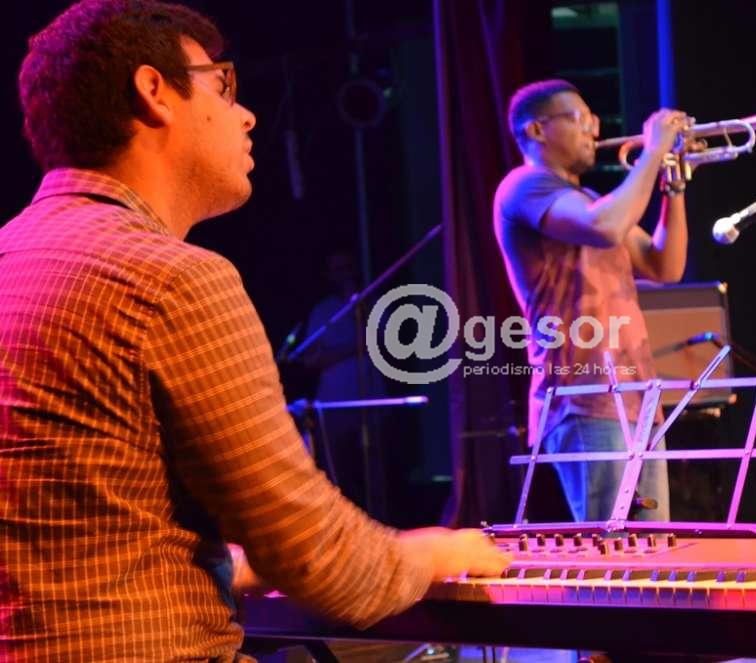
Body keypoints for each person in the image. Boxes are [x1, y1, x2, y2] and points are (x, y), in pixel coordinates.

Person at [0, 1, 508, 660]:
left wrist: (230, 562)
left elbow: (77, 537)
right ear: (154, 92)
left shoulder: (13, 256)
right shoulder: (172, 280)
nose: (247, 115)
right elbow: (324, 562)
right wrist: (440, 551)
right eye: (222, 85)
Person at [493, 79, 690, 523]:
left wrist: (673, 185)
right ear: (537, 130)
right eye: (580, 119)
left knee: (655, 551)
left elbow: (665, 266)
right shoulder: (523, 186)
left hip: (638, 396)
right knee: (611, 550)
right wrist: (653, 151)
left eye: (594, 119)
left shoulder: (593, 201)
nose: (594, 129)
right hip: (583, 395)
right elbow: (604, 226)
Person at [300, 248, 387, 508]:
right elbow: (310, 358)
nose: (344, 275)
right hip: (335, 402)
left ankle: (379, 517)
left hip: (371, 398)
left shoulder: (373, 303)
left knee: (375, 470)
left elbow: (382, 344)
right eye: (338, 270)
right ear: (329, 275)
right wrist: (353, 346)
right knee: (338, 471)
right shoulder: (323, 310)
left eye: (347, 268)